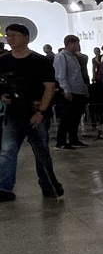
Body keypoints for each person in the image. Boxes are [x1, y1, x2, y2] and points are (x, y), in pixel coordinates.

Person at [0, 23, 63, 202]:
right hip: (13, 113)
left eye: (14, 35)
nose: (10, 38)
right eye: (8, 35)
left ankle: (48, 185)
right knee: (7, 150)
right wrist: (2, 96)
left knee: (41, 151)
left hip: (36, 112)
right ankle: (4, 187)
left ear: (26, 38)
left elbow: (49, 87)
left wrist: (41, 110)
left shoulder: (39, 61)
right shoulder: (3, 61)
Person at [53, 35, 91, 150]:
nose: (79, 46)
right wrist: (66, 90)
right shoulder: (61, 57)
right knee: (67, 117)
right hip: (70, 92)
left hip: (78, 91)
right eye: (77, 43)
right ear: (70, 44)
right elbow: (61, 75)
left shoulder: (73, 57)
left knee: (76, 117)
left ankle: (74, 138)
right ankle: (61, 141)